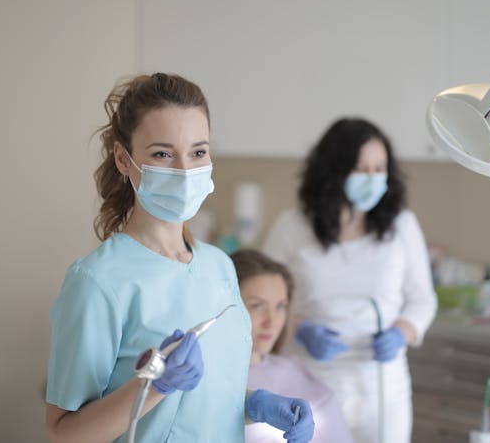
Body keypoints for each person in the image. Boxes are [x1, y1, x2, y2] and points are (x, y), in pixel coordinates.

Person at [45, 73, 315, 443]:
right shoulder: (98, 281)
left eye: (198, 152)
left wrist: (255, 405)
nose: (185, 171)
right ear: (124, 160)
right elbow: (64, 433)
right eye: (162, 154)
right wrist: (156, 386)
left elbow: (202, 404)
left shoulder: (219, 266)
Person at [262, 118, 437, 443]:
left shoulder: (402, 226)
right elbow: (260, 300)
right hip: (311, 379)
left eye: (379, 169)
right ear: (333, 171)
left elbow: (422, 299)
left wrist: (402, 333)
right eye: (361, 169)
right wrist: (300, 329)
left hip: (382, 386)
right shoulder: (291, 227)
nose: (371, 179)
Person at [231, 249, 355, 443]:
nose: (271, 322)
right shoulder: (201, 377)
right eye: (257, 305)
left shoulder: (297, 375)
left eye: (280, 306)